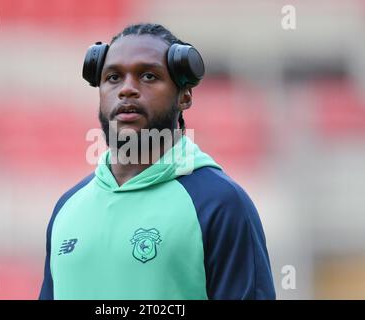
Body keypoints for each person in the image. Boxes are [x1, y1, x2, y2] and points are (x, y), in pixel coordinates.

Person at [39, 23, 276, 300]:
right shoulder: (68, 208)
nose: (127, 89)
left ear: (184, 96)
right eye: (113, 77)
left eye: (149, 76)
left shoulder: (220, 204)